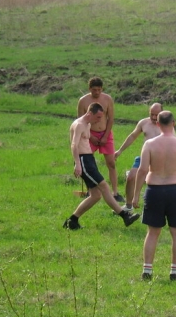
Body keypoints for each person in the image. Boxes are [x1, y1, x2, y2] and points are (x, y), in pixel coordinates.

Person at [133, 111, 176, 281]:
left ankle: (147, 270)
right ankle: (175, 272)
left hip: (154, 190)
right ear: (174, 123)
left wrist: (135, 195)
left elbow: (143, 170)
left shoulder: (149, 145)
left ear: (158, 124)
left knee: (153, 232)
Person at [65, 102, 140, 230]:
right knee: (104, 186)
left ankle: (72, 221)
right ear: (89, 113)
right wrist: (77, 164)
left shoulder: (87, 124)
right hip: (83, 161)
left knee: (96, 195)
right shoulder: (79, 125)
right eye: (98, 117)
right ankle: (124, 216)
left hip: (89, 159)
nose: (100, 120)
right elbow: (74, 145)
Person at [77, 77, 124, 203]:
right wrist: (90, 136)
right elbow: (81, 121)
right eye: (94, 90)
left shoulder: (107, 99)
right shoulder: (83, 101)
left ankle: (115, 192)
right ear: (89, 89)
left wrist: (105, 136)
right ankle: (90, 191)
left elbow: (111, 119)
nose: (96, 92)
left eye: (99, 90)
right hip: (89, 133)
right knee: (88, 163)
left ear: (102, 89)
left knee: (111, 163)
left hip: (105, 133)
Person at [114, 103, 163, 210]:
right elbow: (132, 136)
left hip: (160, 159)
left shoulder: (166, 124)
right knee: (131, 177)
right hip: (144, 157)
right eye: (152, 114)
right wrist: (120, 151)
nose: (154, 118)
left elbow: (174, 141)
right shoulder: (144, 123)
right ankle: (128, 205)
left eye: (157, 115)